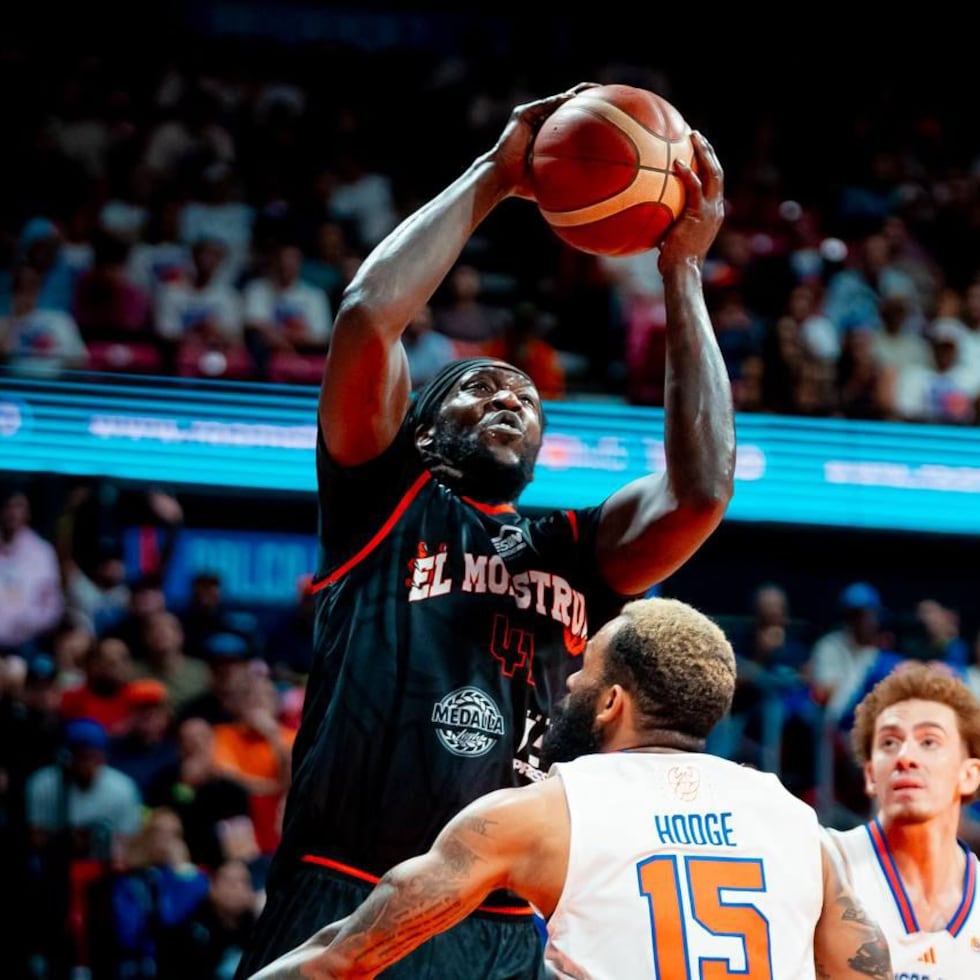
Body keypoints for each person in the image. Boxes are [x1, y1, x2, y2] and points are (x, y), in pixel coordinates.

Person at [236, 83, 737, 980]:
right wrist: (495, 175)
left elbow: (702, 491)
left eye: (528, 397)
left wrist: (682, 273)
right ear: (422, 431)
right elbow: (368, 316)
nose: (510, 398)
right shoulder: (386, 499)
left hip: (502, 919)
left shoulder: (575, 552)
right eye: (479, 387)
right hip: (347, 888)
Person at [249, 597, 891, 979]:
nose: (570, 686)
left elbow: (344, 957)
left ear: (612, 702)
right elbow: (867, 968)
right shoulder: (797, 823)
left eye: (585, 673)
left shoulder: (543, 812)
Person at [826, 662, 980, 975]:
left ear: (969, 775)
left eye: (929, 742)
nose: (905, 757)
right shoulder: (827, 862)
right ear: (871, 775)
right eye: (889, 743)